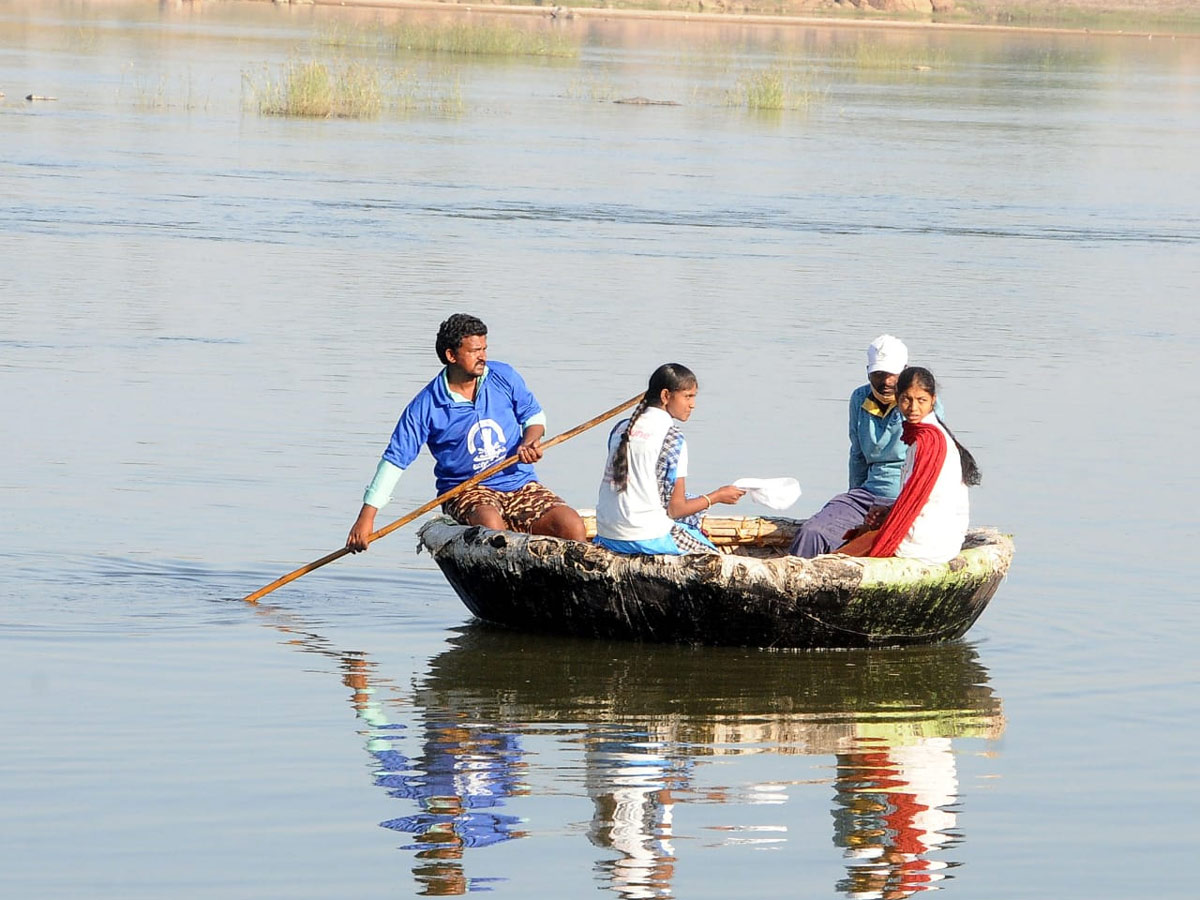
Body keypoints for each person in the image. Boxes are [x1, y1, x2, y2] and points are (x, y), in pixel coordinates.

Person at [346, 314, 585, 551]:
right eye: (474, 351)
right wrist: (366, 518)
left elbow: (534, 416)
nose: (483, 356)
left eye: (484, 348)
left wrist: (530, 441)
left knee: (571, 525)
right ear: (451, 356)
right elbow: (395, 462)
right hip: (466, 490)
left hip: (519, 483)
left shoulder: (503, 376)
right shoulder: (426, 405)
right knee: (493, 529)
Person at [790, 334, 938, 558]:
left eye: (892, 375)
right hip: (867, 496)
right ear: (868, 371)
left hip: (905, 500)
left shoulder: (921, 405)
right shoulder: (859, 398)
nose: (886, 382)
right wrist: (854, 498)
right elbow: (857, 455)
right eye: (878, 374)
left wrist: (900, 510)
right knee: (812, 532)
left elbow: (930, 467)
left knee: (870, 548)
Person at [594, 363, 744, 556]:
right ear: (666, 396)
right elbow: (675, 509)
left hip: (606, 533)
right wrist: (716, 497)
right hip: (645, 536)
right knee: (716, 559)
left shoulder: (620, 428)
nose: (693, 404)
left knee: (690, 509)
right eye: (687, 396)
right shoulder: (672, 438)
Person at [840, 367, 980, 563]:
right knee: (857, 538)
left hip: (928, 542)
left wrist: (886, 531)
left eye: (921, 400)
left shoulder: (929, 441)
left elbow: (917, 501)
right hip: (936, 536)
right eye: (907, 399)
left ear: (933, 400)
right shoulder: (923, 435)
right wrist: (889, 511)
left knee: (841, 556)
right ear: (897, 399)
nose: (913, 408)